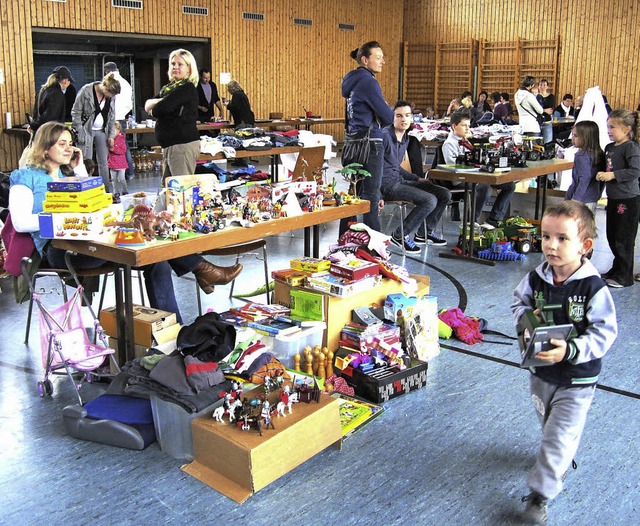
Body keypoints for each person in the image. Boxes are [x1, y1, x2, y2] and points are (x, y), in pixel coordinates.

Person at [8, 122, 243, 323]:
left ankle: (172, 330)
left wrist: (80, 170)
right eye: (62, 144)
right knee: (141, 242)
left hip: (92, 237)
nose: (69, 148)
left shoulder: (65, 174)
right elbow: (20, 223)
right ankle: (202, 269)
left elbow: (93, 203)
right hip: (60, 248)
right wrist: (63, 218)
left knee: (156, 258)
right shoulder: (25, 177)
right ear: (44, 147)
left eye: (70, 143)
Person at [512, 200, 617, 526]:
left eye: (562, 238)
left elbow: (605, 332)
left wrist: (570, 349)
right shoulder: (536, 278)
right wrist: (526, 324)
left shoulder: (593, 287)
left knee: (558, 435)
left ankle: (540, 495)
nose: (551, 245)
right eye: (545, 236)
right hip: (542, 372)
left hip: (577, 377)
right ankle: (557, 455)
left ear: (585, 246)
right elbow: (519, 302)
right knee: (549, 425)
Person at [338, 41, 394, 236]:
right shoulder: (369, 81)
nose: (383, 61)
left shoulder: (352, 81)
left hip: (354, 143)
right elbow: (388, 117)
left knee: (353, 194)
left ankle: (345, 240)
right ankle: (374, 249)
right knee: (371, 196)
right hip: (371, 145)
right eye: (378, 58)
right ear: (365, 59)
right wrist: (385, 108)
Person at [381, 101, 449, 253]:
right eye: (399, 116)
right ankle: (399, 235)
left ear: (412, 118)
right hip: (387, 186)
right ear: (392, 118)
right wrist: (377, 194)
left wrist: (417, 179)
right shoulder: (385, 137)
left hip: (399, 181)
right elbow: (375, 167)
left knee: (443, 194)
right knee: (429, 200)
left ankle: (425, 233)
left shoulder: (405, 138)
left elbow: (395, 167)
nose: (403, 119)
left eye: (407, 115)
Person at [442, 110, 515, 228]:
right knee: (485, 189)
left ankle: (494, 219)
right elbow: (454, 168)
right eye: (464, 125)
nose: (467, 129)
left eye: (468, 126)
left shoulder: (466, 141)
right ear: (454, 126)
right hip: (461, 179)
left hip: (476, 175)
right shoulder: (449, 144)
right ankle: (471, 222)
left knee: (509, 185)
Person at [595, 109, 640, 288]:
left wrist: (612, 175)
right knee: (612, 236)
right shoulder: (609, 148)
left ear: (627, 129)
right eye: (608, 126)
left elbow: (636, 171)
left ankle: (625, 276)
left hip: (628, 199)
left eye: (613, 127)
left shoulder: (631, 148)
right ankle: (617, 268)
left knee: (624, 238)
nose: (609, 130)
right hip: (613, 198)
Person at [145, 49, 200, 183]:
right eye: (172, 64)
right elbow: (148, 105)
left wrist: (158, 105)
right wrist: (162, 102)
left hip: (181, 146)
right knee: (169, 190)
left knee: (182, 190)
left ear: (189, 68)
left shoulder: (186, 88)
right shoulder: (170, 88)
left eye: (180, 64)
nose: (175, 67)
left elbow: (158, 110)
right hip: (171, 146)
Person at [71, 72, 121, 193]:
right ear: (105, 87)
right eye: (110, 93)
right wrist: (80, 131)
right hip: (86, 130)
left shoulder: (111, 97)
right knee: (86, 160)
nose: (111, 97)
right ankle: (86, 189)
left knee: (103, 161)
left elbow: (111, 117)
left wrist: (110, 136)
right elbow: (76, 112)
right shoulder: (86, 91)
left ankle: (106, 190)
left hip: (101, 130)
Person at [103, 62, 135, 180]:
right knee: (123, 146)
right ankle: (130, 172)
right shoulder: (126, 84)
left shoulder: (108, 83)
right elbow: (130, 105)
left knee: (110, 147)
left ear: (106, 71)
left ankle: (112, 175)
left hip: (110, 119)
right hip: (122, 119)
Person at [565, 121, 604, 211]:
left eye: (575, 136)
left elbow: (584, 178)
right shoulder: (598, 153)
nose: (572, 138)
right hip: (592, 197)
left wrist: (575, 199)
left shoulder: (581, 156)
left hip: (580, 199)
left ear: (586, 137)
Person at [30, 66, 75, 132]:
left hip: (40, 131)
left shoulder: (42, 91)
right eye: (69, 81)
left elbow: (36, 113)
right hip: (49, 133)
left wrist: (33, 125)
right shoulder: (56, 94)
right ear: (65, 81)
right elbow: (50, 118)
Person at [108, 121, 129, 197]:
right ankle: (116, 192)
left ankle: (125, 191)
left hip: (121, 164)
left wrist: (113, 149)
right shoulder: (109, 139)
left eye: (114, 130)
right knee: (114, 180)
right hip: (112, 163)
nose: (112, 133)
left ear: (118, 130)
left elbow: (123, 150)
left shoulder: (121, 139)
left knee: (122, 179)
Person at [537, 79, 556, 144]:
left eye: (544, 85)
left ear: (547, 87)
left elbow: (550, 110)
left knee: (548, 142)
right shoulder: (536, 96)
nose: (542, 87)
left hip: (547, 122)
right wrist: (544, 110)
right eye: (540, 85)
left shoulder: (551, 96)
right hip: (537, 122)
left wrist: (541, 110)